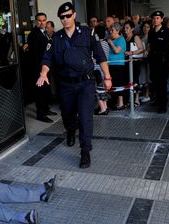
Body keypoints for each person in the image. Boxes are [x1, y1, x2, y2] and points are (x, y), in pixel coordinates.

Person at [37, 2, 111, 168]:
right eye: (62, 17)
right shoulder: (56, 38)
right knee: (68, 115)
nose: (65, 19)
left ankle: (85, 151)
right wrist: (43, 73)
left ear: (74, 15)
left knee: (85, 117)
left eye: (68, 16)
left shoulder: (87, 33)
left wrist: (108, 77)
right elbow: (47, 59)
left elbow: (100, 56)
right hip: (66, 85)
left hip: (85, 83)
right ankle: (70, 129)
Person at [28, 12, 57, 123]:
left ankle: (46, 109)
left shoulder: (44, 32)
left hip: (46, 66)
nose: (42, 22)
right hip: (39, 68)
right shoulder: (33, 34)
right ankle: (41, 114)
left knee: (45, 90)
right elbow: (34, 55)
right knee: (40, 92)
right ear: (36, 21)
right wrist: (40, 70)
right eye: (39, 20)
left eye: (43, 20)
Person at [148, 11, 169, 113]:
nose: (155, 20)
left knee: (162, 83)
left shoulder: (167, 31)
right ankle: (158, 100)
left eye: (157, 18)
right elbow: (150, 46)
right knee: (154, 81)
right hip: (153, 60)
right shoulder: (151, 32)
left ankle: (163, 105)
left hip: (164, 60)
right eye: (154, 18)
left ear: (162, 19)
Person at [107, 23, 127, 110]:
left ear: (118, 31)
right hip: (110, 64)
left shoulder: (121, 39)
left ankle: (121, 103)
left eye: (112, 30)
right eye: (110, 30)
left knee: (119, 83)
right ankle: (115, 102)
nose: (110, 32)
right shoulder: (111, 39)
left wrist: (111, 42)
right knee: (113, 84)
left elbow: (117, 51)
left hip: (118, 64)